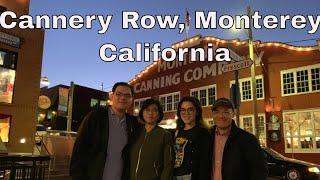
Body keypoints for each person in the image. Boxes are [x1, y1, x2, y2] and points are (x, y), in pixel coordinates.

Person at [70, 82, 141, 180]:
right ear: (112, 96)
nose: (122, 98)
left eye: (127, 95)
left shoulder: (133, 122)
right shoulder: (95, 117)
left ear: (131, 99)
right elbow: (79, 148)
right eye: (118, 94)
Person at [210, 97, 267, 180]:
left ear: (233, 114)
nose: (221, 116)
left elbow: (260, 171)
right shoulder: (206, 137)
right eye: (217, 112)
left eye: (226, 112)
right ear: (213, 114)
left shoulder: (247, 139)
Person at [129, 98, 174, 180]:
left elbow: (168, 165)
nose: (150, 113)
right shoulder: (136, 133)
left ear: (159, 114)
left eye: (154, 110)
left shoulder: (164, 135)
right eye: (147, 110)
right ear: (142, 113)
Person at [173, 96, 212, 180]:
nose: (186, 113)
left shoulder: (203, 134)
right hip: (175, 176)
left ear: (197, 112)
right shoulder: (176, 132)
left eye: (190, 109)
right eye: (183, 110)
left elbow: (205, 164)